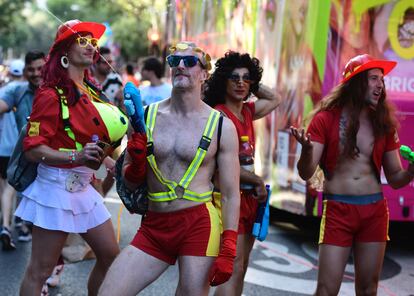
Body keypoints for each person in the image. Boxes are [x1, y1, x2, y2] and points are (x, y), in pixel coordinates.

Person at [99, 41, 241, 296]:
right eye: (175, 62)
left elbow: (231, 193)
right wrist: (135, 165)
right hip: (155, 225)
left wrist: (229, 244)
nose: (181, 66)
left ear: (204, 74)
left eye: (189, 62)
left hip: (198, 224)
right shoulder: (145, 116)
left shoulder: (222, 126)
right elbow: (129, 183)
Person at [15, 19, 128, 296]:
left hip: (84, 187)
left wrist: (110, 162)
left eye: (92, 42)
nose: (91, 46)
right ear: (64, 51)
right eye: (82, 40)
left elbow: (86, 140)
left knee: (111, 255)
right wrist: (77, 156)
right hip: (55, 189)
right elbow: (33, 149)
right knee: (40, 270)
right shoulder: (50, 94)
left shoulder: (91, 91)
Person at [290, 54, 414, 296]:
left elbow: (396, 179)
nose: (380, 85)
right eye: (373, 79)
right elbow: (305, 173)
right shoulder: (325, 119)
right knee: (326, 289)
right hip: (338, 211)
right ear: (356, 82)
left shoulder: (383, 123)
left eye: (382, 80)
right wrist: (306, 152)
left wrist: (411, 172)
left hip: (374, 212)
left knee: (368, 289)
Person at [204, 51, 281, 296]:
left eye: (246, 78)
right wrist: (256, 179)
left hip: (249, 200)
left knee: (242, 266)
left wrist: (253, 83)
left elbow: (275, 98)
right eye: (234, 78)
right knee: (231, 266)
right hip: (226, 198)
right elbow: (218, 169)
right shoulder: (218, 114)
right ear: (223, 81)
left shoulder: (247, 111)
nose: (240, 83)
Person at [0, 51, 46, 243]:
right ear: (25, 72)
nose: (35, 73)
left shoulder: (59, 92)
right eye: (31, 69)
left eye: (40, 68)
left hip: (51, 163)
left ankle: (22, 225)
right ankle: (9, 226)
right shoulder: (17, 91)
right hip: (26, 157)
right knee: (11, 185)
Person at [0, 59, 25, 250]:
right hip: (15, 148)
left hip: (1, 148)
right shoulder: (23, 92)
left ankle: (8, 222)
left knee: (4, 188)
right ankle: (11, 224)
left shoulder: (4, 92)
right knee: (12, 188)